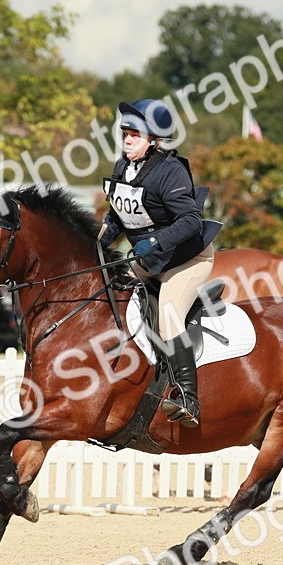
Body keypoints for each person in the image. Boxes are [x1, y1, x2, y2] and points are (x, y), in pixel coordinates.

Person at [96, 99, 220, 427]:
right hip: (149, 259)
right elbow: (118, 215)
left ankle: (188, 398)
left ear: (154, 140)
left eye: (134, 135)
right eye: (125, 133)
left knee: (168, 313)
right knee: (109, 290)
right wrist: (99, 240)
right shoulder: (123, 167)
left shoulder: (170, 170)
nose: (127, 140)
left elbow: (190, 221)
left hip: (187, 259)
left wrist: (154, 241)